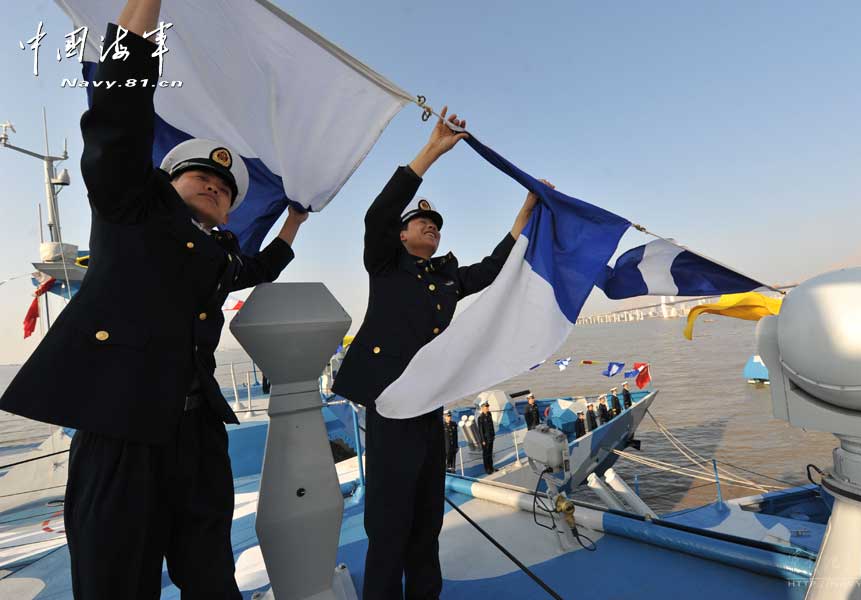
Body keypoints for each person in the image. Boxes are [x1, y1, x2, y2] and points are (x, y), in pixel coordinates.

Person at [0, 2, 307, 597]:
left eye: (224, 190)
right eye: (203, 179)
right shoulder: (129, 210)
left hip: (195, 437)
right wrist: (143, 15)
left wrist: (292, 222)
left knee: (211, 575)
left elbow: (257, 265)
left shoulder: (217, 255)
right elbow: (119, 116)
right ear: (166, 182)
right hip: (121, 430)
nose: (216, 187)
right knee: (117, 582)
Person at [331, 106, 541, 599]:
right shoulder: (384, 264)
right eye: (420, 222)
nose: (431, 227)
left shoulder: (445, 277)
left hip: (429, 410)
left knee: (426, 526)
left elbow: (491, 268)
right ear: (402, 235)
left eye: (436, 224)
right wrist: (430, 153)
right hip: (390, 406)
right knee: (388, 529)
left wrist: (526, 213)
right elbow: (377, 215)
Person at [477, 402, 496, 474]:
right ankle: (487, 469)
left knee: (490, 453)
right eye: (486, 407)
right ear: (482, 408)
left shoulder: (489, 414)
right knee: (486, 454)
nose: (487, 408)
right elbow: (481, 430)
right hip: (485, 439)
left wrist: (493, 435)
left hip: (490, 437)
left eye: (488, 406)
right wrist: (483, 440)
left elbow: (492, 426)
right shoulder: (480, 418)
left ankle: (491, 467)